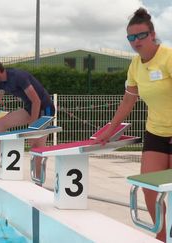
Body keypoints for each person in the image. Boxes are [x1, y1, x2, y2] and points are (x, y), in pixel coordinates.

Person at [94, 8, 172, 242]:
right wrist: (109, 131)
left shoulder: (168, 57)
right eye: (131, 37)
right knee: (149, 189)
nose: (136, 41)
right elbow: (128, 100)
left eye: (141, 35)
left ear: (153, 34)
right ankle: (163, 236)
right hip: (156, 132)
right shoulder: (135, 66)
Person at [0, 57, 55, 171]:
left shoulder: (18, 77)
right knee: (0, 123)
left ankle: (38, 183)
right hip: (30, 108)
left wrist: (32, 129)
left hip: (45, 109)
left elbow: (37, 101)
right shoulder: (1, 83)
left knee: (36, 147)